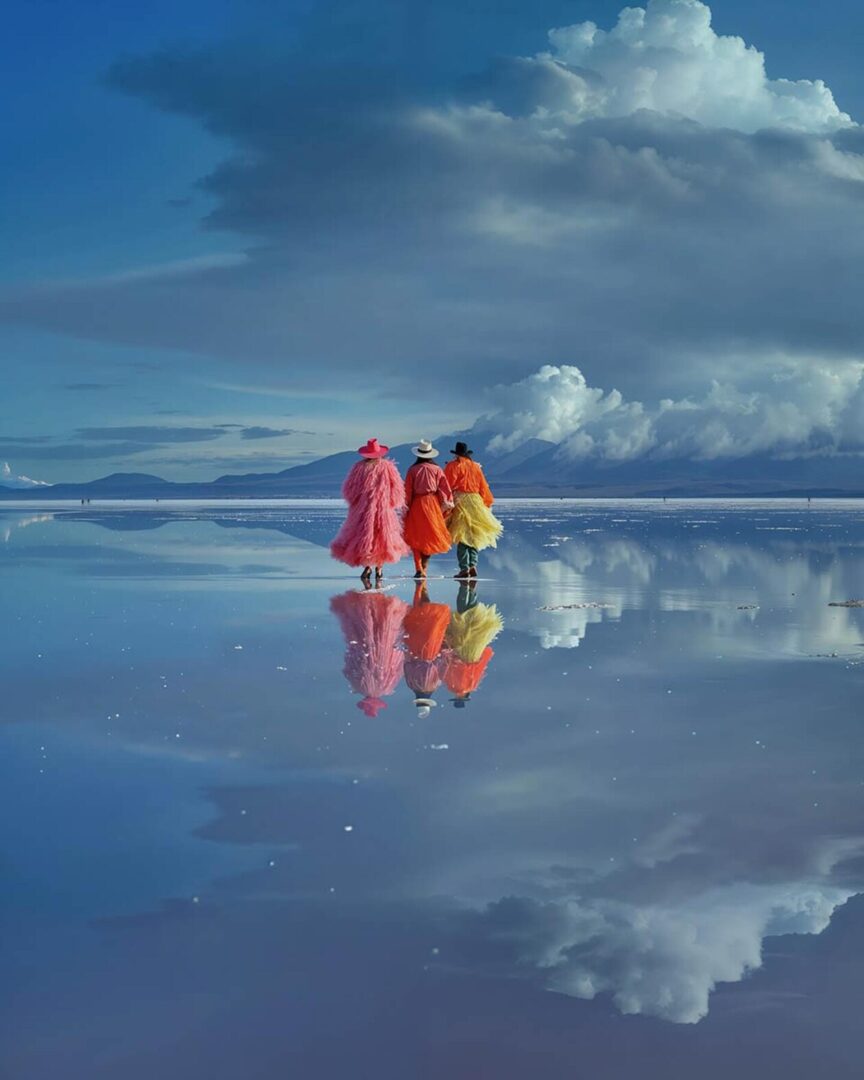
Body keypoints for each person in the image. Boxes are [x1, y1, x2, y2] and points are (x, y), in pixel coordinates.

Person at [330, 437, 409, 582]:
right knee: (382, 536)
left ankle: (367, 566)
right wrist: (391, 502)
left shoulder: (359, 468)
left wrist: (356, 502)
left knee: (365, 536)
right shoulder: (388, 467)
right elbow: (397, 488)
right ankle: (379, 568)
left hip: (363, 509)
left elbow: (350, 489)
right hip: (383, 508)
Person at [330, 588, 409, 717]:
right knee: (366, 627)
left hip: (383, 649)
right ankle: (372, 600)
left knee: (382, 628)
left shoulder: (386, 687)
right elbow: (351, 665)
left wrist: (396, 652)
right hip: (364, 648)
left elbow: (394, 665)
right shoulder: (359, 686)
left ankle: (381, 601)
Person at [443, 441, 503, 579]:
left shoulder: (453, 466)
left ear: (456, 454)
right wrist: (486, 503)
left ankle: (464, 568)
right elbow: (483, 486)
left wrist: (445, 502)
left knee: (462, 534)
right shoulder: (475, 467)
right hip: (476, 502)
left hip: (461, 501)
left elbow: (447, 485)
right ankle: (473, 565)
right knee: (473, 534)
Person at [441, 582, 503, 708]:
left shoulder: (470, 685)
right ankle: (468, 589)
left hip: (471, 652)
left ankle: (470, 589)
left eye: (457, 699)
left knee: (470, 620)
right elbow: (455, 668)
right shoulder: (460, 686)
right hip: (465, 652)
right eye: (459, 699)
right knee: (465, 621)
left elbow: (475, 666)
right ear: (462, 697)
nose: (457, 696)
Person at [403, 440, 453, 579]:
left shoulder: (412, 470)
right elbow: (444, 489)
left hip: (417, 505)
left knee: (415, 536)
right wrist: (446, 505)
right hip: (432, 505)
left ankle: (418, 567)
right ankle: (424, 567)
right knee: (431, 535)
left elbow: (407, 491)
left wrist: (405, 507)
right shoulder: (437, 470)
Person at [403, 581, 451, 717]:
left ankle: (422, 590)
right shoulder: (411, 684)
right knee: (419, 623)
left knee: (430, 626)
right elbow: (407, 665)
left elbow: (439, 666)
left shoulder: (434, 684)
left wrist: (444, 652)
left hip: (430, 651)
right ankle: (421, 591)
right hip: (416, 650)